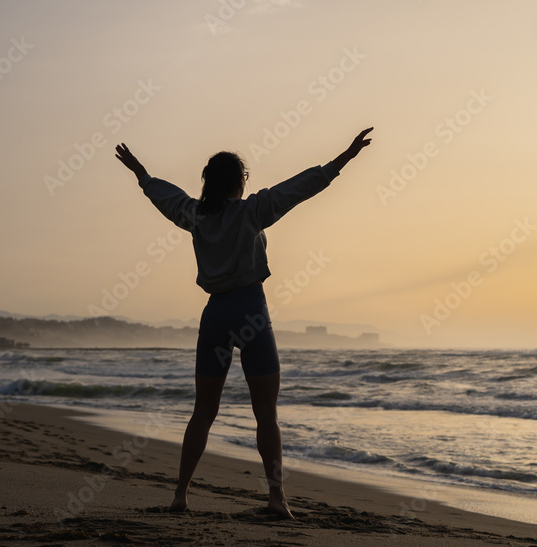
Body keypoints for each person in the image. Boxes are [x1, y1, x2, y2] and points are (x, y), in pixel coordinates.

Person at [115, 128, 373, 518]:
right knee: (265, 413)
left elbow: (164, 197)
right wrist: (343, 159)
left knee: (203, 411)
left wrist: (141, 173)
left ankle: (181, 495)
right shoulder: (252, 211)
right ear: (239, 181)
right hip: (251, 310)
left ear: (208, 183)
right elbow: (297, 189)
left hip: (215, 313)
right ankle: (275, 498)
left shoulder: (195, 215)